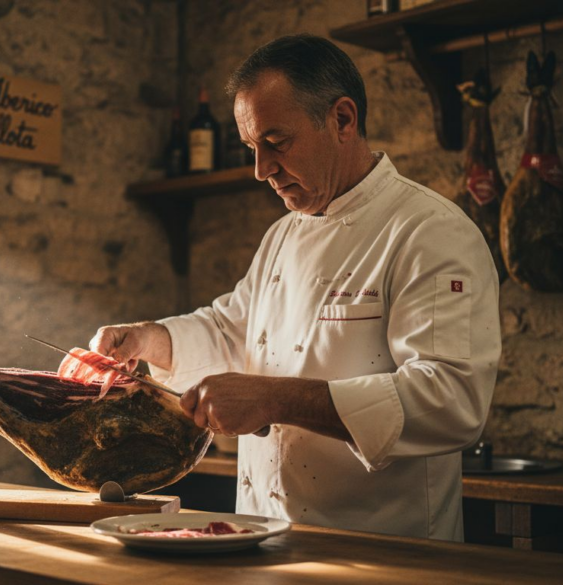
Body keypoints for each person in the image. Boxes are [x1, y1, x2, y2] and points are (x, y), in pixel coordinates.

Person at [91, 34, 501, 541]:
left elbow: (451, 400)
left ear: (343, 120)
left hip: (382, 550)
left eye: (276, 142)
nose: (261, 170)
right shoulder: (283, 234)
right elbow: (231, 329)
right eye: (252, 148)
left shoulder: (430, 232)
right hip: (262, 538)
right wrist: (147, 339)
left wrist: (277, 399)